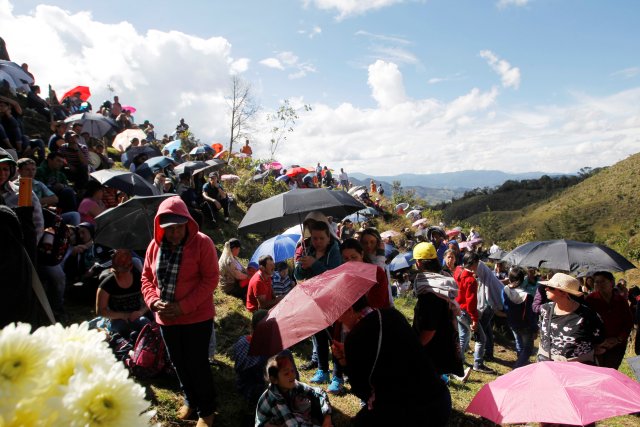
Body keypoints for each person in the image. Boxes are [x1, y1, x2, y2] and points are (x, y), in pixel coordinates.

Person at [141, 196, 218, 427]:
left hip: (197, 318)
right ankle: (190, 399)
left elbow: (210, 279)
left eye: (178, 228)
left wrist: (183, 306)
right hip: (166, 319)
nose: (174, 233)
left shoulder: (203, 243)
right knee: (178, 362)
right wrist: (154, 302)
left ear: (187, 222)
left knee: (197, 363)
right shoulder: (155, 246)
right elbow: (146, 278)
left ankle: (207, 410)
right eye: (169, 229)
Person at [331, 297, 450, 426]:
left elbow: (364, 392)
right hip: (440, 400)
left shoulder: (356, 337)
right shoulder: (392, 314)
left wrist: (345, 362)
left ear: (349, 309)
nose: (338, 320)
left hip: (412, 413)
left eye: (338, 314)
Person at [294, 214, 342, 385]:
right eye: (314, 238)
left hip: (332, 300)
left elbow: (332, 275)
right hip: (314, 300)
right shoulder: (308, 249)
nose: (318, 241)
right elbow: (298, 275)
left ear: (328, 237)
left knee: (334, 339)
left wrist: (314, 263)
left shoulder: (335, 250)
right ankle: (322, 370)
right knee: (319, 336)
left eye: (321, 238)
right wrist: (301, 266)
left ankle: (337, 376)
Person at [411, 242, 465, 382]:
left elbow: (429, 328)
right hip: (444, 341)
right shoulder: (443, 279)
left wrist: (415, 349)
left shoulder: (430, 290)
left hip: (432, 349)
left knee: (430, 385)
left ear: (419, 263)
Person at [537, 273, 604, 364]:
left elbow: (598, 341)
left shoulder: (588, 315)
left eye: (551, 288)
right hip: (547, 366)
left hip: (577, 370)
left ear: (564, 292)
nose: (546, 288)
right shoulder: (545, 309)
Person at [256, 352, 333, 427]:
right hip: (274, 421)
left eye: (292, 370)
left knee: (312, 399)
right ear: (274, 380)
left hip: (288, 416)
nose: (292, 375)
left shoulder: (292, 384)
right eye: (286, 373)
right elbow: (294, 425)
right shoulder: (274, 399)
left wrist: (327, 418)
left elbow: (318, 392)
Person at [454, 251, 496, 374]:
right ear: (474, 264)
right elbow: (471, 302)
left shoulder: (458, 272)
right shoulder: (471, 280)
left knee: (463, 336)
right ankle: (478, 363)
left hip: (458, 310)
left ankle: (459, 360)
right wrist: (474, 320)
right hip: (467, 311)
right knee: (481, 338)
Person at [96, 249, 150, 340]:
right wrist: (124, 315)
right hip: (118, 318)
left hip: (138, 314)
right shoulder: (107, 284)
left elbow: (150, 298)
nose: (122, 273)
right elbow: (100, 311)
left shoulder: (139, 278)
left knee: (145, 324)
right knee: (121, 329)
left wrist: (141, 312)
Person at [585, 271, 633, 369]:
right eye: (596, 282)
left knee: (612, 372)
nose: (598, 285)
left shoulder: (620, 300)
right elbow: (585, 323)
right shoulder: (589, 300)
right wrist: (597, 343)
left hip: (617, 345)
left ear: (612, 282)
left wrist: (618, 339)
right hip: (597, 345)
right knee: (598, 373)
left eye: (602, 281)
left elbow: (628, 322)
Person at [232, 309, 270, 405]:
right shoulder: (268, 353)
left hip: (241, 385)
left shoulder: (241, 341)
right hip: (260, 393)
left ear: (251, 326)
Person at [502, 266, 537, 368]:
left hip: (512, 322)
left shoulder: (505, 290)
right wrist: (535, 329)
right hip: (525, 325)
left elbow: (504, 305)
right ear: (522, 279)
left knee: (519, 343)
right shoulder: (527, 296)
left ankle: (520, 364)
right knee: (528, 349)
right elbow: (531, 315)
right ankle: (518, 366)